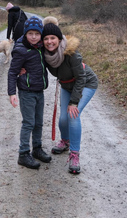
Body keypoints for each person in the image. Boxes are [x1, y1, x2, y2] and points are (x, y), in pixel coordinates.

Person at [41, 17, 98, 175]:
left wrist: (74, 102)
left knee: (73, 115)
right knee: (63, 119)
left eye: (53, 38)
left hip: (85, 83)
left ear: (59, 39)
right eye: (46, 38)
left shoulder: (71, 53)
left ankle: (75, 155)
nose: (50, 42)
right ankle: (65, 141)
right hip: (66, 85)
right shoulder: (45, 55)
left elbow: (81, 78)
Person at [8, 16, 51, 169]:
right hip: (26, 92)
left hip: (39, 91)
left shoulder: (41, 46)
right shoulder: (21, 50)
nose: (33, 37)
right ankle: (23, 153)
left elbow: (56, 43)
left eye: (37, 34)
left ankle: (37, 148)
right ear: (25, 33)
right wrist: (12, 93)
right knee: (29, 123)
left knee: (39, 122)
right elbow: (12, 72)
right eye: (30, 33)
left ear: (41, 34)